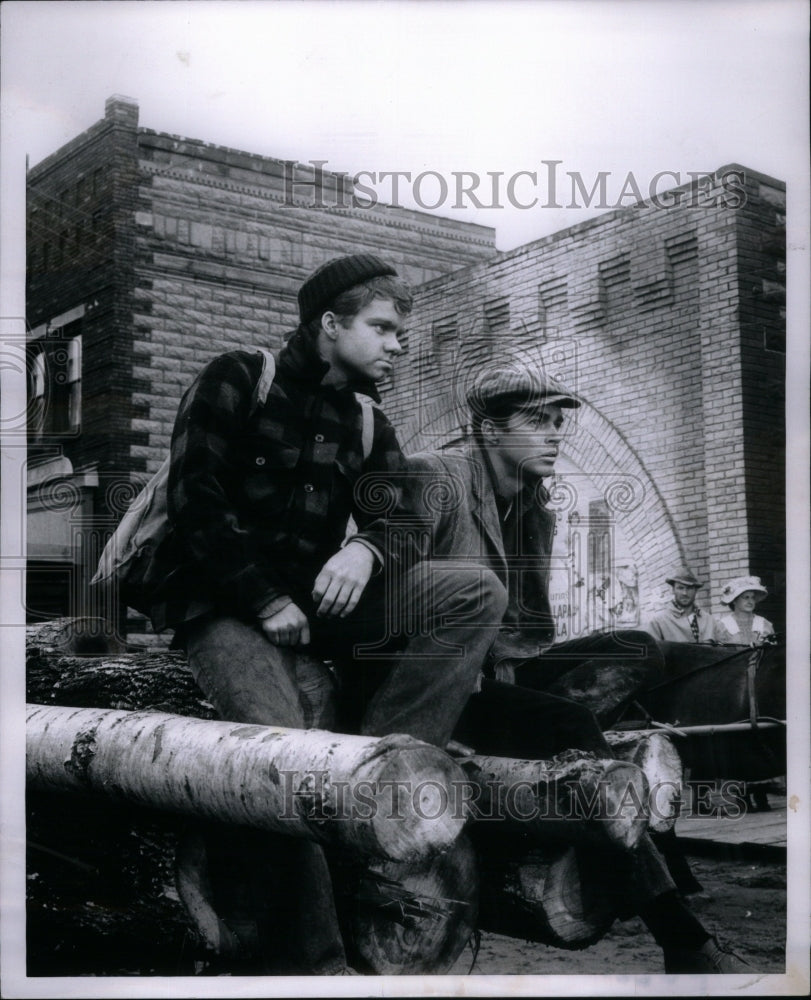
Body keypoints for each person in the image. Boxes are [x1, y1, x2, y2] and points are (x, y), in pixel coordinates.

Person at [141, 254, 507, 975]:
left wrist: (367, 550)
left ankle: (373, 773)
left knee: (474, 590)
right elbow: (196, 504)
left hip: (315, 599)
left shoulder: (369, 420)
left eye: (399, 333)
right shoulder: (240, 376)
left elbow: (402, 514)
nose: (396, 346)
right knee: (280, 753)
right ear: (329, 325)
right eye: (382, 329)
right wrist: (264, 599)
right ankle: (322, 963)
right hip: (219, 601)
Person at [396, 364, 748, 973]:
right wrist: (474, 664)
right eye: (537, 422)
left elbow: (531, 628)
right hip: (440, 680)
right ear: (487, 429)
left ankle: (573, 750)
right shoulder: (436, 478)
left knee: (639, 646)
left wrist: (517, 669)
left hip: (502, 673)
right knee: (569, 729)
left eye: (558, 422)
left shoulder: (535, 504)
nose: (555, 435)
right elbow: (393, 596)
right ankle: (681, 937)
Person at [645, 569, 721, 643]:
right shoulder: (659, 621)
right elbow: (652, 652)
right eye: (680, 588)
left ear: (696, 590)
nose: (684, 593)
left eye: (689, 588)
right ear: (673, 590)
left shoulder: (708, 620)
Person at [715, 575, 776, 646]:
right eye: (746, 597)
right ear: (734, 600)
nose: (750, 601)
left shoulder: (765, 624)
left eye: (753, 597)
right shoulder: (723, 626)